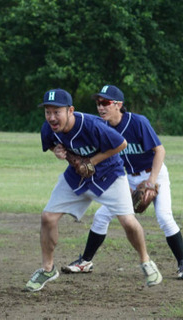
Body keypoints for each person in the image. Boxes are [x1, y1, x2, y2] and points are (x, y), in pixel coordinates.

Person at [24, 88, 162, 292]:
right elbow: (52, 145)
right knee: (48, 217)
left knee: (128, 221)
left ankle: (146, 261)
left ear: (70, 110)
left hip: (110, 176)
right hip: (76, 178)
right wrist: (58, 151)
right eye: (48, 112)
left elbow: (121, 144)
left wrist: (91, 161)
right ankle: (47, 269)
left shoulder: (92, 125)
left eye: (57, 112)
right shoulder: (49, 128)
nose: (52, 117)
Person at [62, 84, 183, 280]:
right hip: (126, 178)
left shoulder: (137, 122)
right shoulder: (102, 127)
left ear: (118, 105)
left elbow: (160, 151)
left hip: (154, 174)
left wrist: (151, 181)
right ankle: (85, 261)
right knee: (102, 216)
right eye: (98, 103)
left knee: (164, 217)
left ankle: (182, 263)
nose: (100, 107)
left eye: (105, 103)